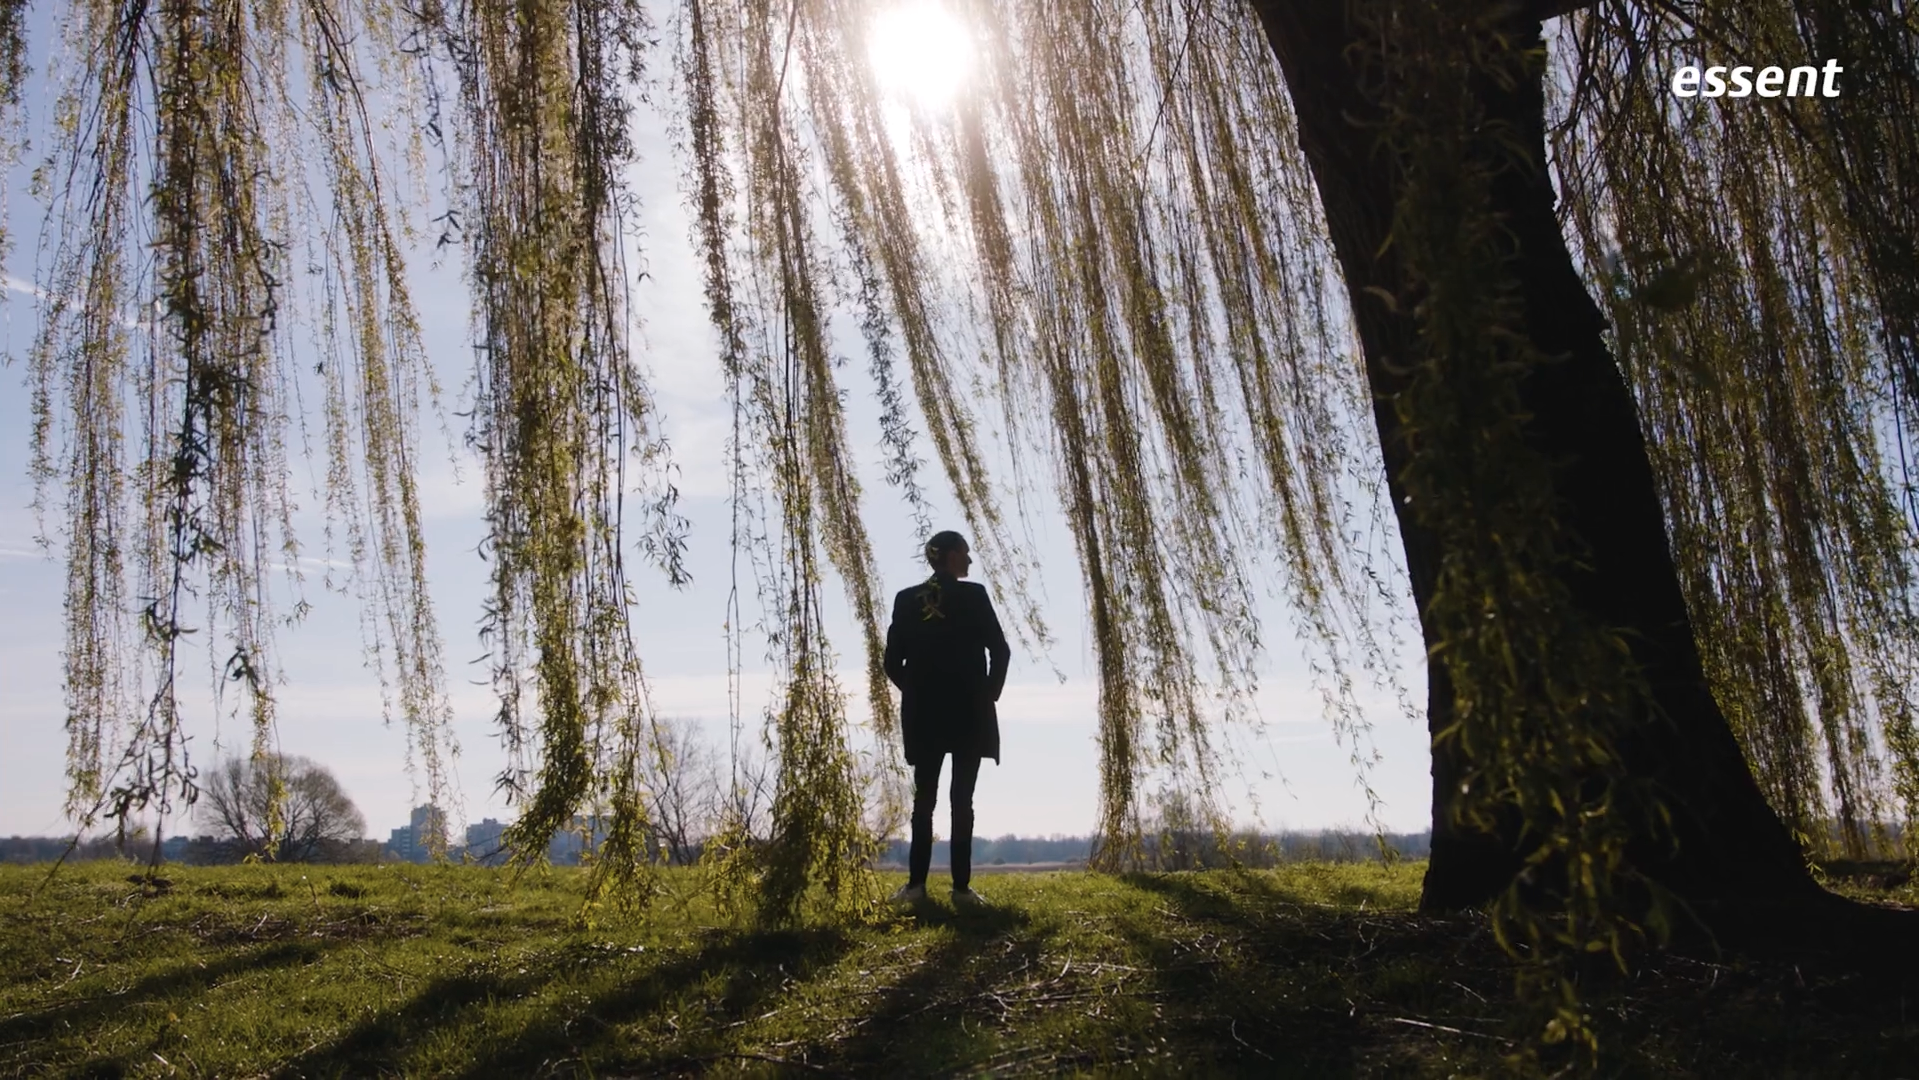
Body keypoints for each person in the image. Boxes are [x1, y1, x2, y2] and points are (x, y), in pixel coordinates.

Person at [883, 530, 1010, 909]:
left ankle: (916, 886)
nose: (969, 560)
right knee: (962, 800)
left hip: (924, 714)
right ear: (952, 556)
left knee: (923, 799)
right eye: (965, 553)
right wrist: (988, 694)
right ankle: (961, 889)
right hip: (969, 711)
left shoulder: (907, 599)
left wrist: (917, 691)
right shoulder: (974, 596)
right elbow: (1000, 650)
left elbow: (891, 662)